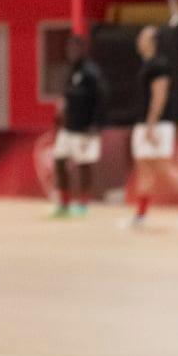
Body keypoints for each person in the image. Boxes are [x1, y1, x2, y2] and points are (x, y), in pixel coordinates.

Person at [126, 25, 178, 229]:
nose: (138, 40)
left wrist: (151, 124)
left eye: (142, 37)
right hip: (144, 123)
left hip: (156, 124)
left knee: (164, 167)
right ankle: (141, 214)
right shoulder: (146, 65)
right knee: (144, 168)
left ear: (152, 42)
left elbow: (160, 95)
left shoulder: (159, 65)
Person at [50, 33, 107, 218]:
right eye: (68, 48)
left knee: (84, 164)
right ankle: (64, 202)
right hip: (67, 128)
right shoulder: (71, 71)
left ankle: (83, 204)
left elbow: (101, 99)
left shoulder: (91, 72)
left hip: (85, 128)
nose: (71, 51)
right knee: (59, 160)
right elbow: (67, 98)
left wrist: (96, 124)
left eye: (75, 48)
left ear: (83, 49)